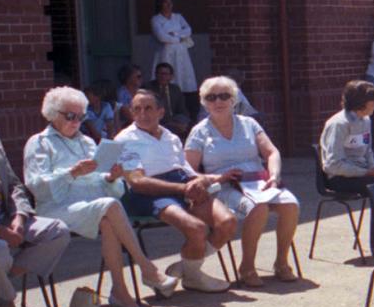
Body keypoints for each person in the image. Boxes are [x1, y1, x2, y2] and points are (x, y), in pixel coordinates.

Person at [24, 87, 179, 307]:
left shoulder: (86, 142)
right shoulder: (39, 143)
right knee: (109, 206)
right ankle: (147, 268)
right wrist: (71, 173)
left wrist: (111, 177)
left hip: (91, 206)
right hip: (56, 208)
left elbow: (102, 183)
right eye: (70, 116)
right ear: (52, 114)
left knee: (108, 217)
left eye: (81, 116)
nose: (76, 121)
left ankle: (121, 293)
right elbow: (35, 184)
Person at [184, 76, 301, 286]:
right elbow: (189, 171)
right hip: (223, 185)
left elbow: (272, 152)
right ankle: (247, 267)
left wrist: (274, 175)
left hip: (257, 181)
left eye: (224, 96)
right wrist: (217, 177)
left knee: (291, 205)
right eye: (211, 97)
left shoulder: (249, 124)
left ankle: (281, 262)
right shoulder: (199, 132)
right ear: (204, 101)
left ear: (234, 100)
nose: (218, 102)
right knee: (259, 208)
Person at [116, 87, 235, 292]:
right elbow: (137, 181)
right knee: (197, 228)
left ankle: (187, 269)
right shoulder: (125, 140)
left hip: (181, 185)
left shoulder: (170, 136)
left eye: (148, 108)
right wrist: (183, 189)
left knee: (227, 222)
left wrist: (202, 181)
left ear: (161, 112)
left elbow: (186, 170)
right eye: (137, 109)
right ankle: (194, 276)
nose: (142, 114)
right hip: (147, 194)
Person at [0, 124, 71, 307]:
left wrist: (19, 216)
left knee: (57, 231)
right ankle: (4, 300)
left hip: (4, 214)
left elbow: (14, 183)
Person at [319, 80, 374, 194]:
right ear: (361, 102)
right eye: (373, 101)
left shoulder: (366, 120)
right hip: (341, 178)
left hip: (363, 172)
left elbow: (367, 151)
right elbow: (332, 165)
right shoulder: (339, 124)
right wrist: (366, 173)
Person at [150, 0, 198, 90]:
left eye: (170, 3)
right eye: (166, 2)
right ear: (160, 4)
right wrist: (179, 39)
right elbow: (161, 37)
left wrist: (175, 34)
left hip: (181, 51)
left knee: (182, 72)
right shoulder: (156, 19)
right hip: (166, 52)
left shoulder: (178, 17)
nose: (168, 5)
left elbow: (188, 30)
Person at [151, 62, 195, 138]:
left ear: (171, 76)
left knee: (191, 126)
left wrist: (185, 123)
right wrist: (175, 124)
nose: (163, 76)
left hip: (175, 119)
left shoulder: (175, 89)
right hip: (158, 120)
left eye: (165, 74)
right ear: (156, 75)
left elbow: (182, 109)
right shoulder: (149, 88)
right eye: (160, 74)